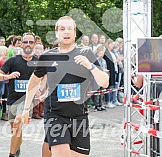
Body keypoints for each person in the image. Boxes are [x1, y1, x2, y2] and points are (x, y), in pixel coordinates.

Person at [22, 16, 109, 157]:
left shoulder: (86, 53)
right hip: (55, 115)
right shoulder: (48, 56)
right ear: (57, 33)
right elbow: (33, 82)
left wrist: (90, 65)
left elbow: (105, 82)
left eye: (70, 29)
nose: (66, 32)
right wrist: (26, 109)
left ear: (75, 33)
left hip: (79, 116)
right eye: (62, 29)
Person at [0, 32, 38, 157]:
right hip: (13, 99)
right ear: (21, 44)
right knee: (15, 130)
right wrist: (8, 76)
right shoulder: (13, 60)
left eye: (31, 42)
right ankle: (17, 147)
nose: (28, 44)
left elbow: (46, 78)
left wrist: (41, 90)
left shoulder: (38, 62)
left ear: (34, 44)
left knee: (18, 123)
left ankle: (12, 154)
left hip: (27, 101)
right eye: (25, 42)